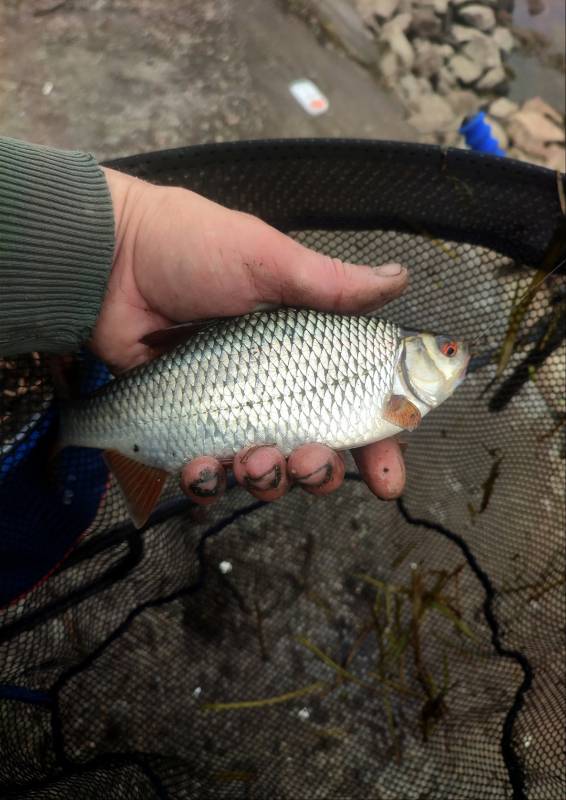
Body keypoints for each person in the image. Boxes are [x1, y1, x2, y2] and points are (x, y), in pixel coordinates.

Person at [0, 136, 408, 507]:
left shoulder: (392, 394)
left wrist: (126, 234)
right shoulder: (390, 378)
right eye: (446, 351)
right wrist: (124, 237)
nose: (453, 356)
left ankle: (78, 425)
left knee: (258, 464)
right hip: (154, 374)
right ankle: (76, 424)